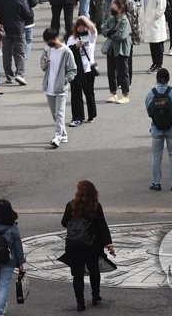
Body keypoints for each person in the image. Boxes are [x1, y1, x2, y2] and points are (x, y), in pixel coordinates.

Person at [59, 180, 115, 311]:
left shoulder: (71, 205)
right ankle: (95, 296)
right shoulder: (95, 207)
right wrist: (109, 243)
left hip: (74, 245)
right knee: (94, 270)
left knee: (77, 274)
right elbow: (102, 226)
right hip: (91, 246)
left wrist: (75, 227)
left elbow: (64, 222)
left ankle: (80, 303)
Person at [144, 68, 172, 191]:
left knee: (156, 157)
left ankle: (156, 183)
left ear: (156, 79)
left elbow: (149, 111)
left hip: (156, 129)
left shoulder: (150, 94)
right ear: (168, 78)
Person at [0, 0, 34, 88]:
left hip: (5, 29)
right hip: (18, 28)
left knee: (6, 53)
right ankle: (20, 74)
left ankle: (9, 76)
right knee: (20, 52)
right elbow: (28, 14)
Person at [43, 28, 78, 148]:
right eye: (47, 41)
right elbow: (42, 65)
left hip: (61, 88)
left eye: (50, 40)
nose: (49, 43)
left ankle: (57, 137)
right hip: (49, 87)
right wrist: (45, 63)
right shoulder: (47, 50)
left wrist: (65, 80)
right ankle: (63, 134)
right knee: (55, 113)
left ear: (56, 37)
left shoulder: (66, 51)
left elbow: (73, 70)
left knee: (59, 113)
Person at [66, 17, 98, 126]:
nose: (81, 28)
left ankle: (92, 114)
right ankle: (77, 118)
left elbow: (93, 28)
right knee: (76, 94)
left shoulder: (91, 36)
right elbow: (67, 52)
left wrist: (82, 18)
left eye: (83, 25)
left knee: (89, 92)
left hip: (88, 69)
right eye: (78, 26)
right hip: (75, 70)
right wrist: (75, 46)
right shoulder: (72, 38)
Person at [102, 0, 132, 104]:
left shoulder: (124, 20)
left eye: (114, 6)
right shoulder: (111, 18)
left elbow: (121, 35)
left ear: (121, 9)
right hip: (111, 49)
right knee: (111, 72)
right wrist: (110, 32)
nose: (112, 7)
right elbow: (103, 29)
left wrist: (110, 33)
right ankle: (113, 93)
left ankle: (125, 95)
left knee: (123, 72)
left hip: (121, 49)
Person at [140, 0, 168, 73]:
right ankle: (154, 63)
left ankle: (158, 65)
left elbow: (161, 7)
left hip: (155, 21)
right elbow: (144, 3)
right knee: (152, 44)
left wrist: (154, 17)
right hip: (148, 21)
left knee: (158, 45)